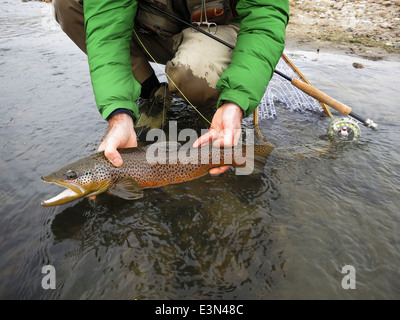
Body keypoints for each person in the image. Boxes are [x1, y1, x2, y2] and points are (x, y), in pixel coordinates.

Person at [53, 0, 289, 175]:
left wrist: (236, 100)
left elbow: (264, 19)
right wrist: (119, 114)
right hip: (152, 29)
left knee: (193, 76)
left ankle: (216, 102)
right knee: (68, 4)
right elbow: (106, 29)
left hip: (215, 32)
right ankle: (149, 89)